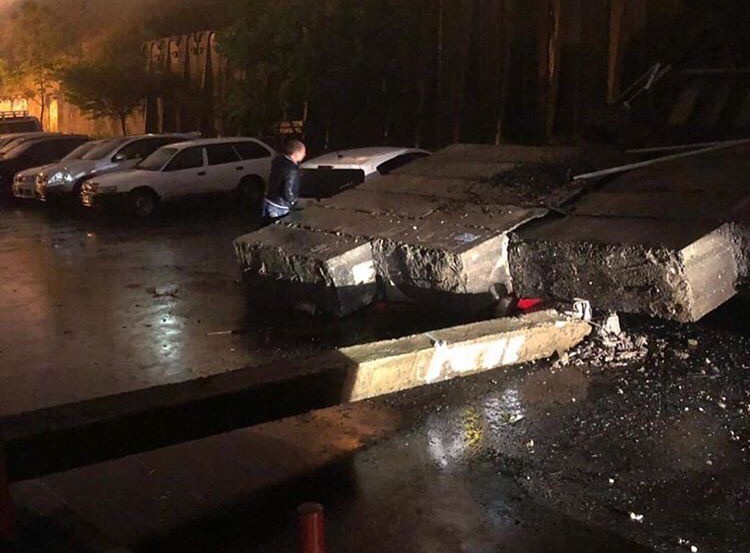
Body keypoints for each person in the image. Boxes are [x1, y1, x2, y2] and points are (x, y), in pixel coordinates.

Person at [261, 139, 306, 220]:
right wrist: (293, 201)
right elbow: (288, 191)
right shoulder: (292, 170)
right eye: (303, 152)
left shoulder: (279, 161)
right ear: (296, 153)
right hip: (280, 206)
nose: (305, 155)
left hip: (269, 201)